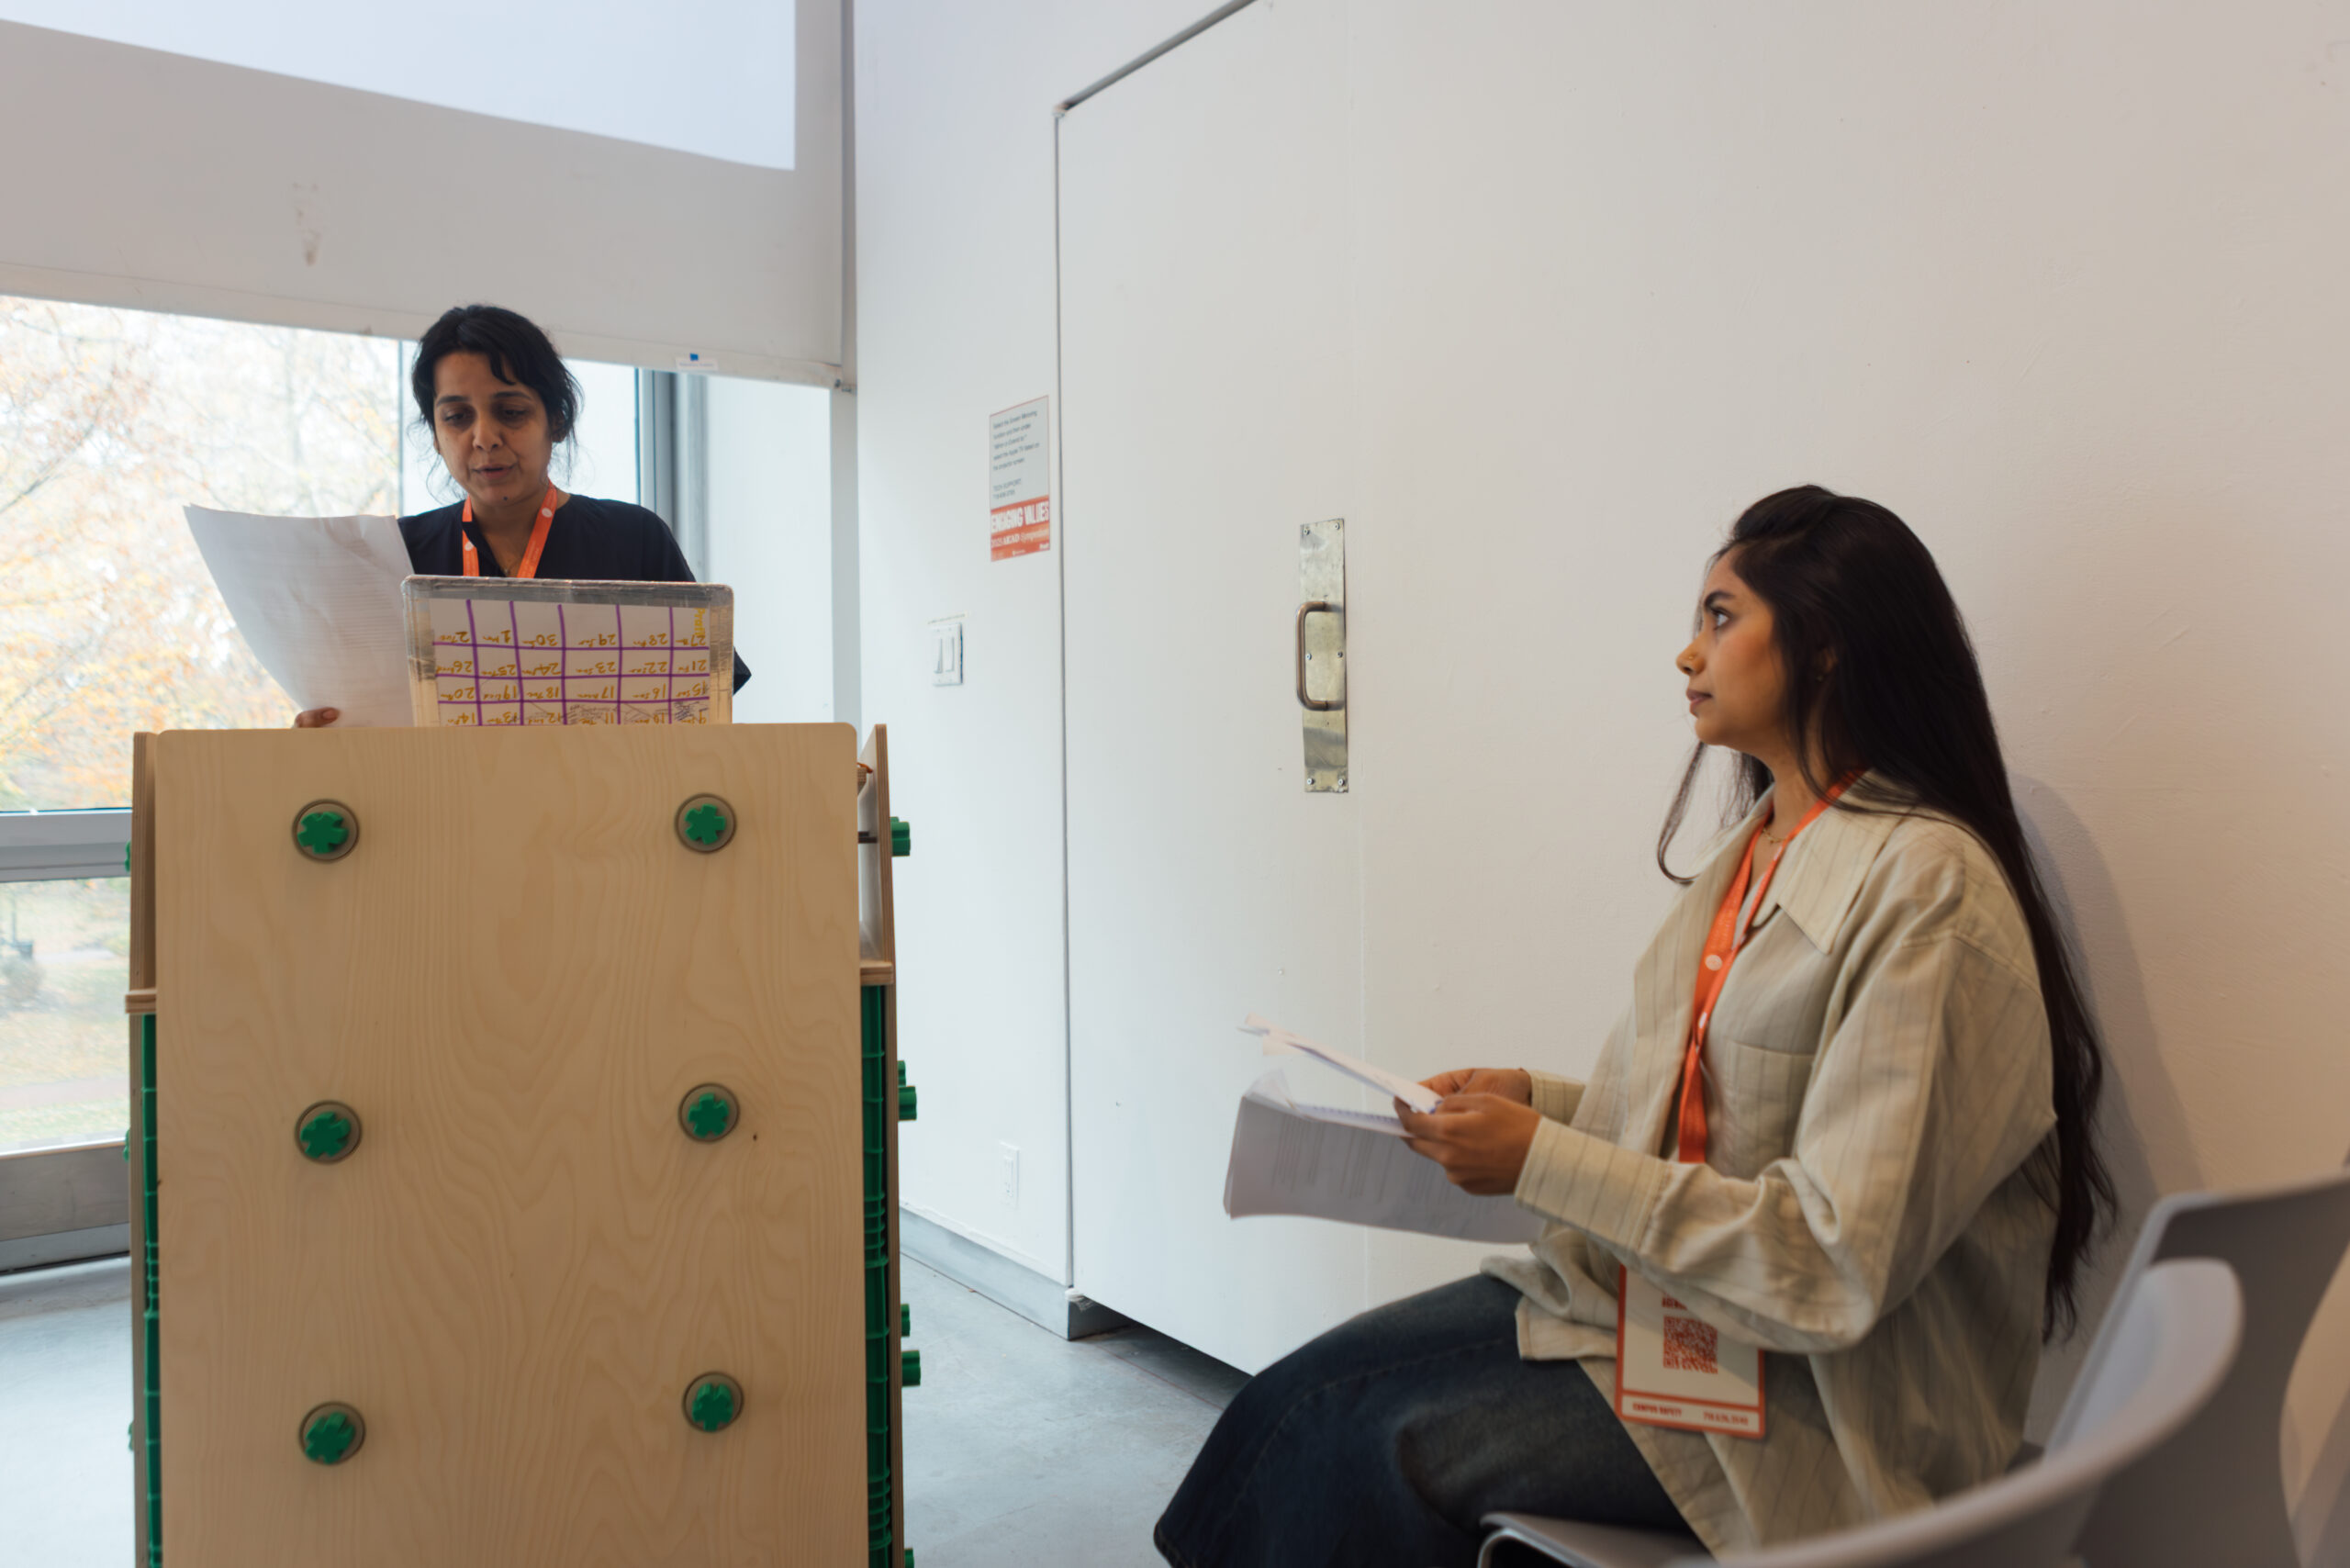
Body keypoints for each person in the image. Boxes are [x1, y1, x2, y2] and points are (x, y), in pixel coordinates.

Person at [1154, 486, 2115, 1567]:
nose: (1685, 654)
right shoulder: (1759, 849)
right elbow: (1715, 1116)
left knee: (1353, 1439)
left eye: (1718, 616)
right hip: (1686, 1326)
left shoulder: (1929, 892)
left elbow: (1831, 1262)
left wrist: (1543, 1159)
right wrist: (1540, 1105)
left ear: (1827, 646)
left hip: (1826, 1413)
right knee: (1285, 1405)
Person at [295, 303, 746, 726]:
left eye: (510, 412)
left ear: (558, 419)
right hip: (442, 801)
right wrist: (326, 728)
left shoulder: (632, 538)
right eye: (456, 417)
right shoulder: (395, 554)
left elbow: (701, 705)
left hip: (601, 800)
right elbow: (363, 717)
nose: (484, 437)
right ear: (434, 434)